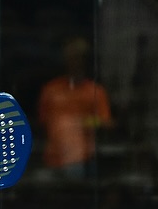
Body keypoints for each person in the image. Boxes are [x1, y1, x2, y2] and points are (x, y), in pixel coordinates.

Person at [36, 35, 113, 179]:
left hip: (82, 158)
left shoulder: (96, 91)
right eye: (70, 58)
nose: (73, 63)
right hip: (52, 157)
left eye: (77, 58)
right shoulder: (51, 90)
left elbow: (105, 122)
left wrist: (82, 122)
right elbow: (43, 121)